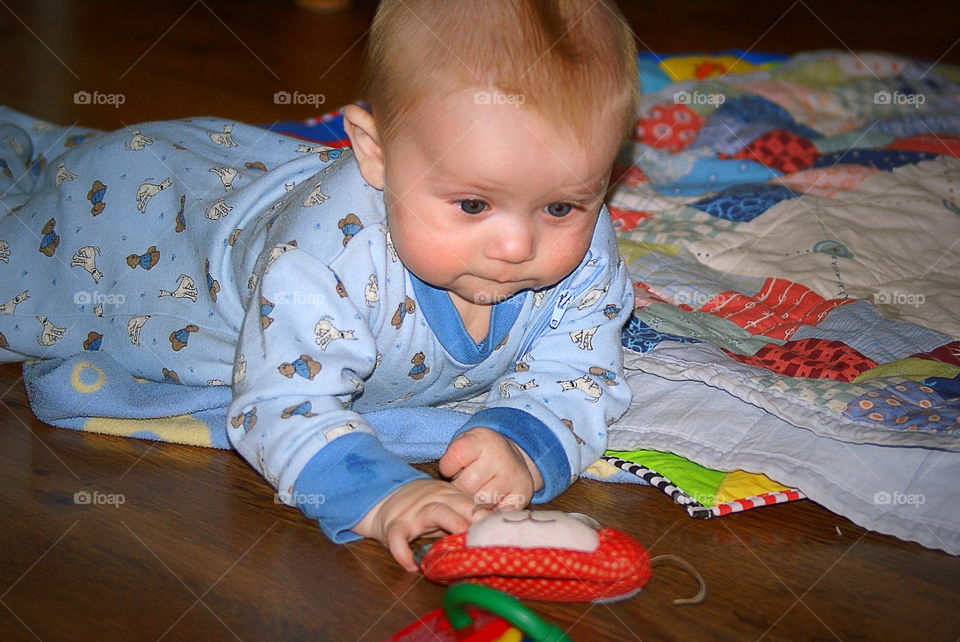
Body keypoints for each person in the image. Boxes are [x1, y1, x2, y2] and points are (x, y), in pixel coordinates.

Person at [0, 0, 638, 570]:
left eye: (561, 207)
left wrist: (526, 443)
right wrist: (382, 492)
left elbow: (579, 370)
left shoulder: (586, 244)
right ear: (374, 151)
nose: (516, 246)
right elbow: (280, 404)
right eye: (472, 205)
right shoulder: (323, 264)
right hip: (143, 229)